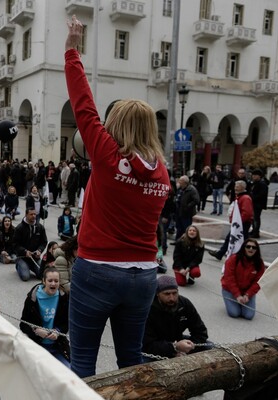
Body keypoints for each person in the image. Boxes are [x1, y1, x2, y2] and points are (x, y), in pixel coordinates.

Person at [64, 16, 171, 377]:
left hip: (98, 270)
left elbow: (83, 105)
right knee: (130, 360)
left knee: (83, 363)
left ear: (116, 126)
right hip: (144, 276)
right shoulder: (162, 171)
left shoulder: (109, 157)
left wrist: (72, 49)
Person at [142, 275, 209, 359]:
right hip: (154, 348)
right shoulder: (148, 309)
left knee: (211, 347)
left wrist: (188, 349)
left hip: (177, 341)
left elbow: (200, 331)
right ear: (157, 294)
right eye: (167, 294)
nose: (172, 298)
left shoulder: (184, 304)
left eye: (174, 293)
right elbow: (147, 344)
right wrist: (174, 348)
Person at [20, 267, 70, 367]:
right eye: (50, 280)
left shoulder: (64, 297)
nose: (53, 284)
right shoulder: (32, 298)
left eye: (56, 281)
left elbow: (67, 323)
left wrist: (58, 331)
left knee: (69, 371)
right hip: (37, 345)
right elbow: (23, 324)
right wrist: (36, 330)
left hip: (57, 346)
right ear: (43, 281)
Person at [209, 180, 254, 260]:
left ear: (243, 187)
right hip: (239, 224)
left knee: (235, 239)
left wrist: (238, 223)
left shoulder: (245, 198)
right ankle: (221, 254)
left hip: (241, 224)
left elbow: (247, 213)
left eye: (237, 186)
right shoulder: (240, 197)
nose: (235, 188)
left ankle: (222, 254)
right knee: (233, 238)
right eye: (235, 186)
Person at [221, 239, 265, 320]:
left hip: (246, 292)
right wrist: (237, 295)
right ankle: (233, 301)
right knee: (234, 313)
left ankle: (240, 302)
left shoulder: (259, 263)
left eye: (254, 247)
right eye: (248, 246)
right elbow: (229, 278)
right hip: (230, 290)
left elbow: (258, 282)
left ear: (257, 250)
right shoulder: (233, 259)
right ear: (243, 248)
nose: (251, 249)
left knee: (249, 316)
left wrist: (248, 294)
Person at [14, 208, 48, 281]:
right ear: (26, 215)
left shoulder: (40, 227)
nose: (33, 216)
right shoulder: (19, 228)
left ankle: (30, 266)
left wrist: (39, 250)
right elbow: (15, 244)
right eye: (31, 214)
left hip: (35, 257)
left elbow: (44, 242)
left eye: (35, 214)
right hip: (22, 257)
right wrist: (25, 251)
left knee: (42, 276)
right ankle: (18, 265)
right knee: (25, 277)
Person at [174, 175, 199, 241]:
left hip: (186, 213)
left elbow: (196, 200)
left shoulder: (191, 189)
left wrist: (188, 206)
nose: (179, 182)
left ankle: (186, 241)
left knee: (186, 228)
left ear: (185, 182)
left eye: (180, 180)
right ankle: (178, 241)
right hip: (178, 211)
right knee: (179, 228)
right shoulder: (180, 188)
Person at [249, 169, 268, 238]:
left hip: (258, 204)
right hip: (253, 203)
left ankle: (256, 232)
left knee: (256, 218)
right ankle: (254, 230)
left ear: (259, 176)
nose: (253, 177)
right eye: (253, 175)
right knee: (253, 218)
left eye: (255, 175)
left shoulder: (262, 184)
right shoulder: (254, 183)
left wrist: (252, 198)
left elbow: (261, 194)